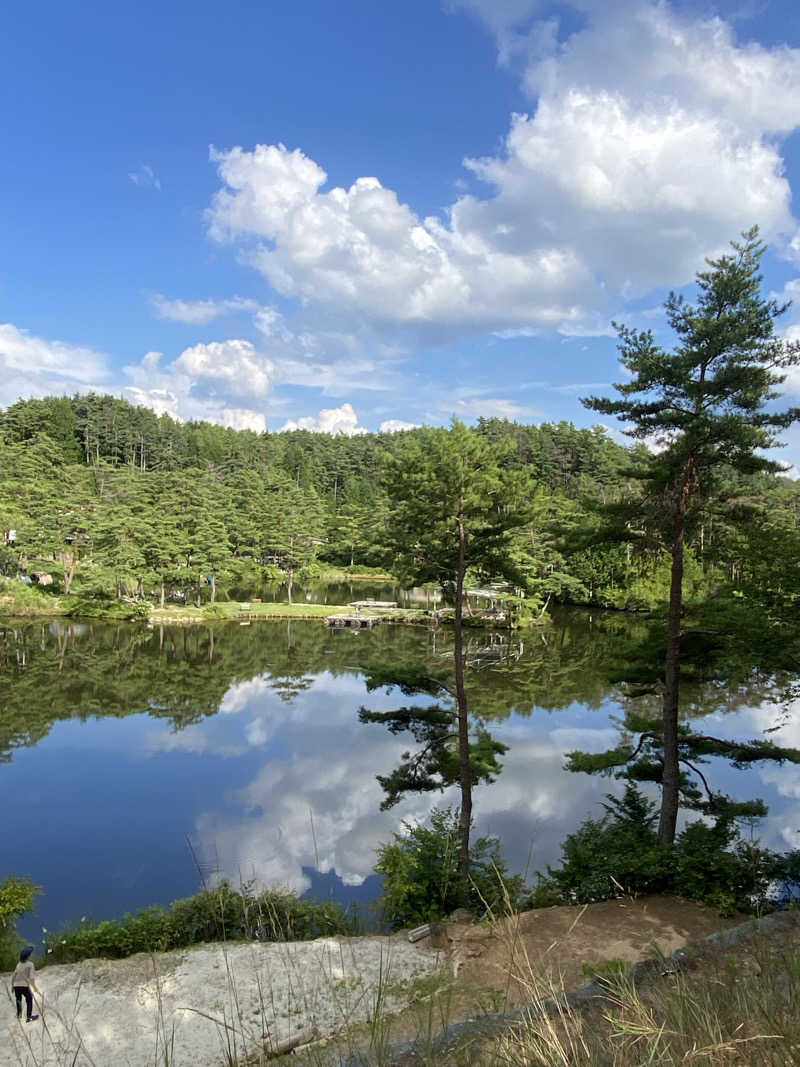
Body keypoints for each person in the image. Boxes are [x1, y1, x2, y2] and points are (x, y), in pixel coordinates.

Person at [11, 946, 40, 1022]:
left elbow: (14, 975)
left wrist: (12, 986)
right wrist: (35, 987)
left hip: (16, 985)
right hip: (24, 985)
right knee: (29, 999)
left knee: (18, 999)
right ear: (28, 956)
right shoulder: (30, 964)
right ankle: (29, 1016)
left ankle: (19, 1014)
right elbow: (31, 978)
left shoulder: (18, 964)